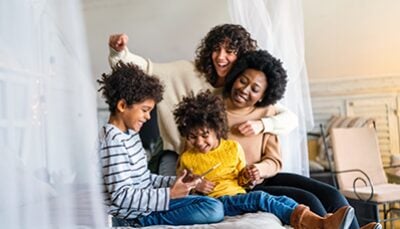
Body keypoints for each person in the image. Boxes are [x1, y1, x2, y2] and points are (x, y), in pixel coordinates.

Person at [220, 50, 382, 229]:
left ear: (263, 96)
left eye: (255, 89)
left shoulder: (267, 114)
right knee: (309, 200)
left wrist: (259, 169)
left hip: (264, 177)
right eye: (242, 80)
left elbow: (274, 161)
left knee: (331, 194)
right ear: (235, 77)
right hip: (239, 186)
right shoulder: (214, 112)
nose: (245, 89)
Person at [107, 24, 298, 159]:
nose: (221, 57)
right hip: (177, 156)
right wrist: (119, 52)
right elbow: (142, 68)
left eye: (229, 51)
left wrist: (262, 125)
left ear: (241, 58)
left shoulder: (241, 91)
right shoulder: (185, 71)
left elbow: (289, 119)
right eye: (216, 49)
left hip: (222, 166)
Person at [174, 90, 354, 229]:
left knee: (285, 200)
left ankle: (329, 223)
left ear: (217, 129)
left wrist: (249, 175)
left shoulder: (232, 147)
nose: (199, 142)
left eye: (205, 135)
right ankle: (320, 225)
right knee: (262, 198)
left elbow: (242, 179)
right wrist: (196, 185)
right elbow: (181, 189)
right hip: (217, 201)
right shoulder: (188, 158)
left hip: (240, 193)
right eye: (192, 137)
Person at [97, 61, 224, 227]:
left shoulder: (131, 134)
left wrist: (176, 182)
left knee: (211, 204)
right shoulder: (112, 141)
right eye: (144, 110)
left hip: (146, 205)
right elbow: (121, 196)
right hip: (130, 213)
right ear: (122, 106)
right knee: (212, 208)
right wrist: (169, 194)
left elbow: (144, 180)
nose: (148, 117)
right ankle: (133, 223)